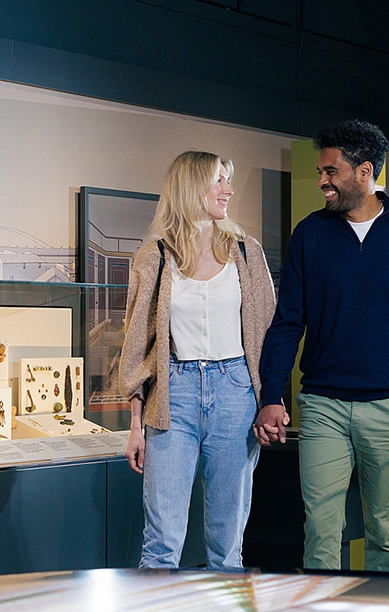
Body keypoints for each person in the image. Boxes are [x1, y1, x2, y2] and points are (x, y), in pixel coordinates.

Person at [253, 120, 389, 572]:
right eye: (321, 171)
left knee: (385, 535)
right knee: (321, 532)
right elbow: (288, 322)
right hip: (323, 405)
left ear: (365, 171)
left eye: (331, 171)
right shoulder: (310, 233)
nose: (322, 181)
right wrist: (272, 397)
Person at [120, 150, 276, 570]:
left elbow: (267, 331)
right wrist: (135, 426)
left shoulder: (247, 251)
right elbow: (138, 344)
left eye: (228, 180)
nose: (227, 190)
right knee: (161, 543)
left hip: (235, 393)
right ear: (191, 187)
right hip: (175, 396)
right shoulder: (155, 255)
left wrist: (271, 401)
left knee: (227, 546)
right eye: (218, 181)